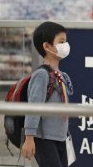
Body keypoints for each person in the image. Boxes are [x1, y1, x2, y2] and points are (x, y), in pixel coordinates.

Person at [21, 21, 74, 167]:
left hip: (60, 137)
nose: (65, 46)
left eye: (66, 41)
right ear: (46, 46)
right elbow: (33, 108)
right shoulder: (41, 75)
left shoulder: (62, 75)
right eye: (61, 42)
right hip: (44, 139)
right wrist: (29, 138)